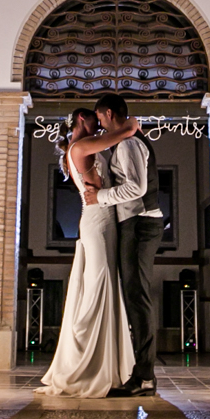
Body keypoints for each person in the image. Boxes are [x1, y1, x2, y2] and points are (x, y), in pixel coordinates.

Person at [34, 107, 141, 398]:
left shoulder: (80, 146)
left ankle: (105, 360)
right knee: (99, 282)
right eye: (95, 119)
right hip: (97, 219)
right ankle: (89, 362)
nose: (100, 124)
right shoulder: (81, 146)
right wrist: (129, 122)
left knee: (103, 282)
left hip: (102, 218)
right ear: (83, 119)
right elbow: (127, 130)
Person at [84, 92, 160, 398]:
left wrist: (99, 197)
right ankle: (141, 373)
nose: (100, 126)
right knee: (134, 297)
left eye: (100, 118)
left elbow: (136, 187)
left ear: (109, 113)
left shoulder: (128, 143)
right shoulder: (126, 139)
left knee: (137, 298)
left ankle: (144, 378)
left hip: (141, 224)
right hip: (135, 224)